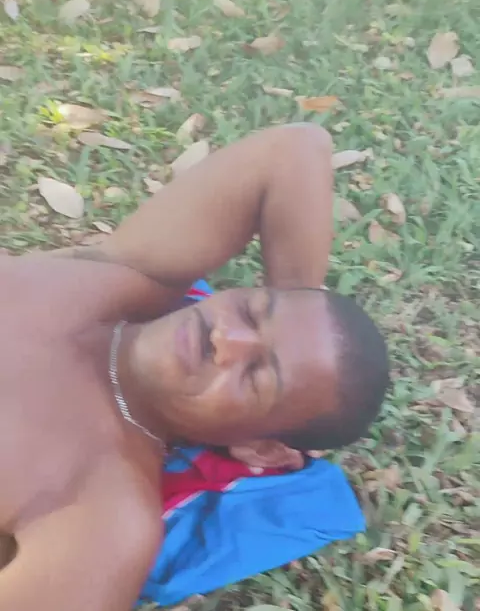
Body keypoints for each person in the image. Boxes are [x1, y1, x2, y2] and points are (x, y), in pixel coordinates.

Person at [0, 123, 389, 611]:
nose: (224, 338)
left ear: (260, 448)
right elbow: (296, 147)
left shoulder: (100, 513)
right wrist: (296, 305)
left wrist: (283, 321)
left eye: (255, 374)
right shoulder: (131, 275)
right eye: (250, 311)